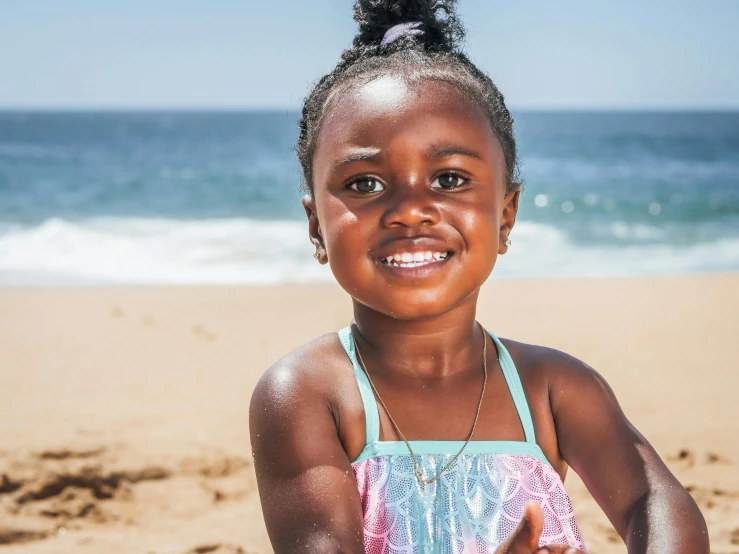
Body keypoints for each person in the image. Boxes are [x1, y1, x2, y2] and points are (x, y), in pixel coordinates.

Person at [249, 1, 709, 552]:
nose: (411, 210)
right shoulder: (307, 394)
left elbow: (652, 501)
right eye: (365, 184)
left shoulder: (552, 387)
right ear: (316, 226)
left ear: (505, 216)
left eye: (448, 178)